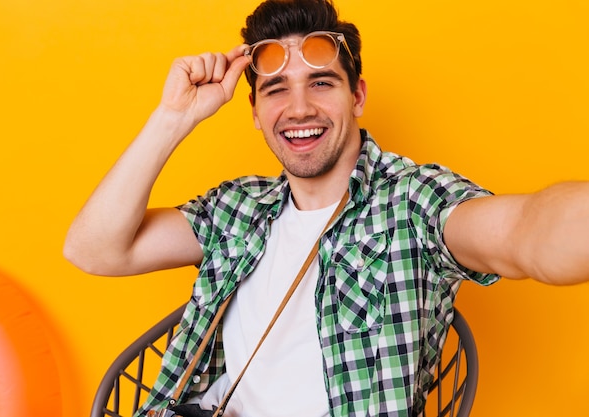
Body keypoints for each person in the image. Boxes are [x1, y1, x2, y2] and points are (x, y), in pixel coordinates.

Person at [63, 0, 589, 416]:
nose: (298, 110)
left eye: (321, 82)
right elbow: (94, 250)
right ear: (255, 111)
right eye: (275, 90)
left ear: (357, 95)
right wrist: (174, 116)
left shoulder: (411, 202)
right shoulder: (238, 209)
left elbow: (528, 232)